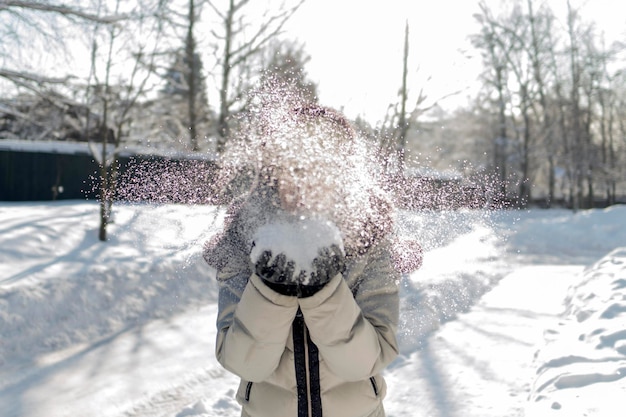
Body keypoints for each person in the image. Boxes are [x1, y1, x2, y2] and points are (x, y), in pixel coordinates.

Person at [204, 102, 419, 417]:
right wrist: (271, 290)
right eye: (295, 168)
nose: (305, 184)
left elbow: (364, 363)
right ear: (274, 172)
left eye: (321, 169)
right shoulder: (244, 242)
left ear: (342, 174)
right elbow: (244, 362)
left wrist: (323, 291)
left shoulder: (370, 246)